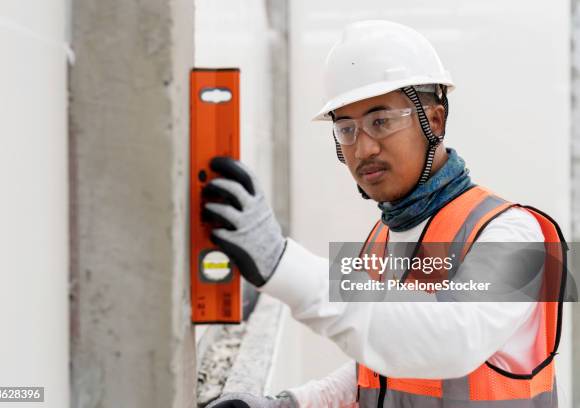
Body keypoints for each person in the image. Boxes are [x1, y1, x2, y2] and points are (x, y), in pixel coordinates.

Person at [203, 20, 566, 408]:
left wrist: (280, 264)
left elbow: (453, 341)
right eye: (347, 129)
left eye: (381, 122)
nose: (363, 150)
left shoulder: (516, 235)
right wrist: (292, 404)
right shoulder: (380, 238)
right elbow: (381, 369)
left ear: (436, 121)